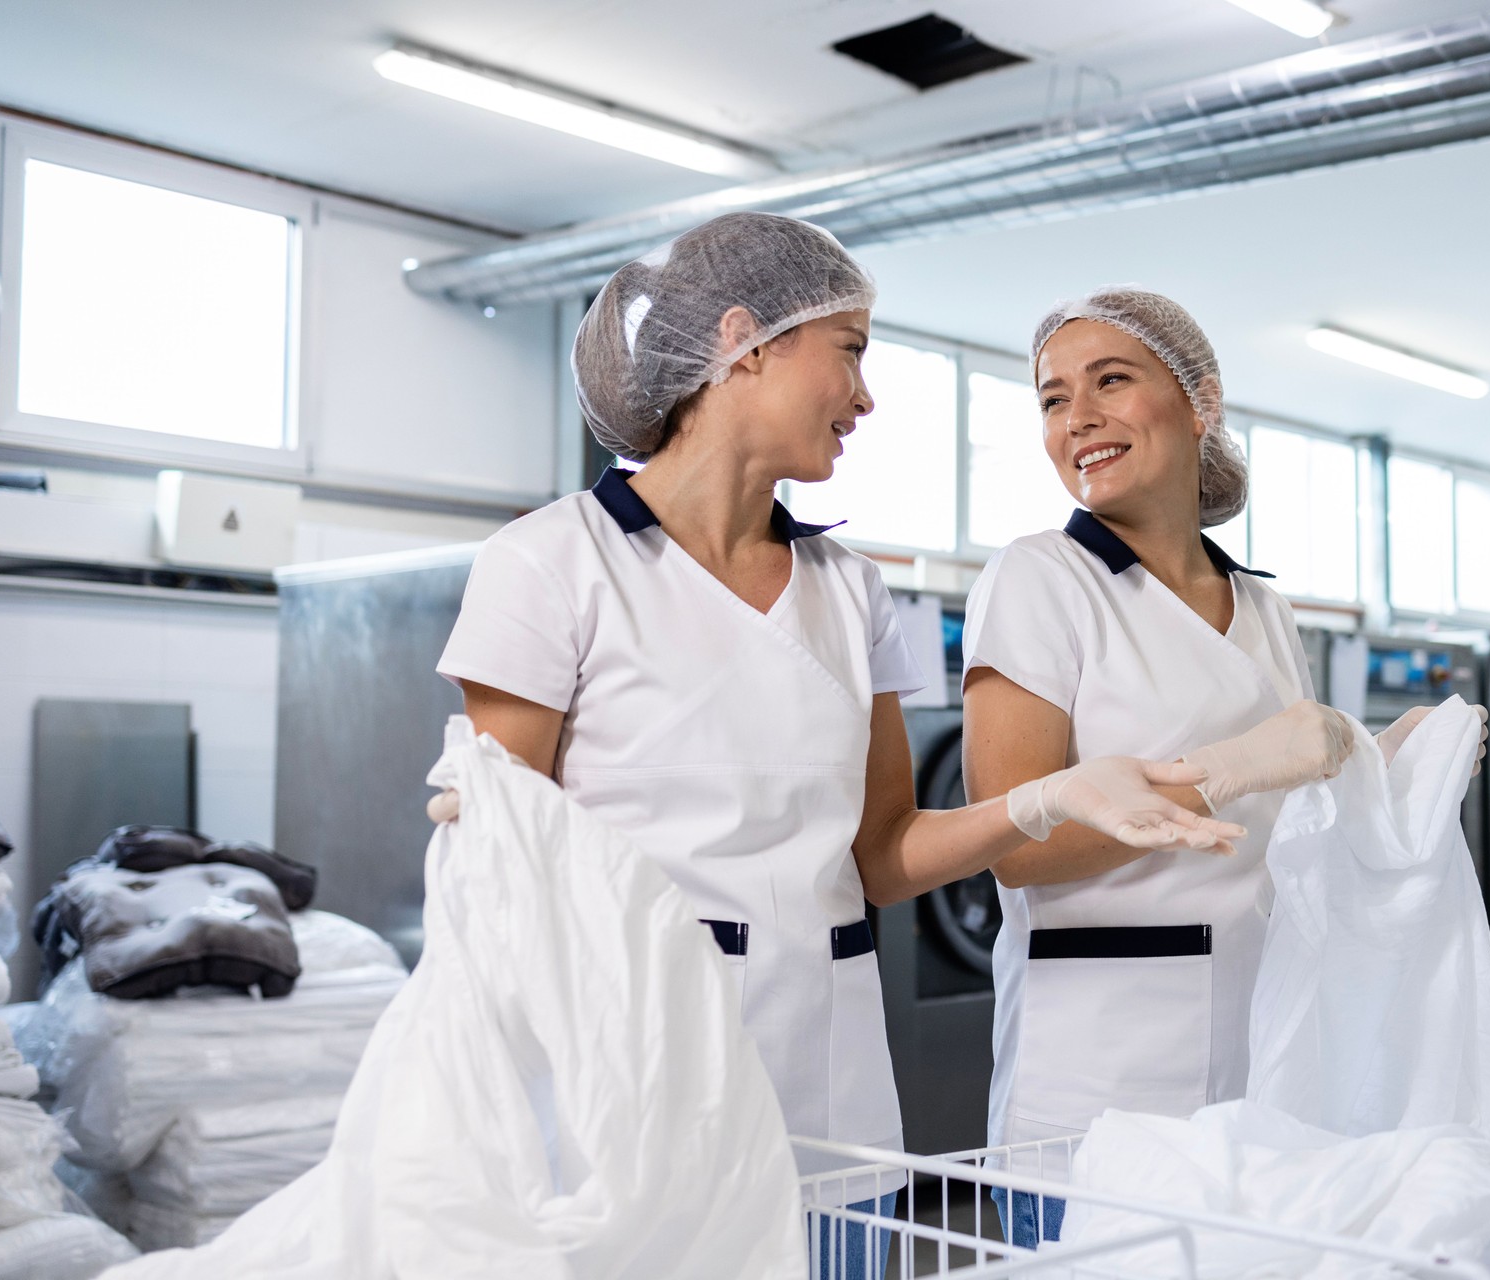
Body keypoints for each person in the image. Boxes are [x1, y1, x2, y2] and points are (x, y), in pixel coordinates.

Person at [428, 223, 1238, 1278]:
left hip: (835, 1096)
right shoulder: (553, 564)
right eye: (850, 349)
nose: (866, 397)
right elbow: (506, 871)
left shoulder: (851, 590)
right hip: (630, 1093)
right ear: (745, 341)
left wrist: (1044, 803)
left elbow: (883, 853)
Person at [961, 286, 1487, 1248]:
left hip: (1268, 1067)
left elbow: (1297, 812)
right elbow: (1013, 845)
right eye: (1051, 397)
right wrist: (1233, 766)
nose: (1077, 416)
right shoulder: (1042, 579)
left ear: (1200, 400)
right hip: (1098, 1082)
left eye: (1111, 380)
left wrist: (1387, 764)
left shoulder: (1263, 606)